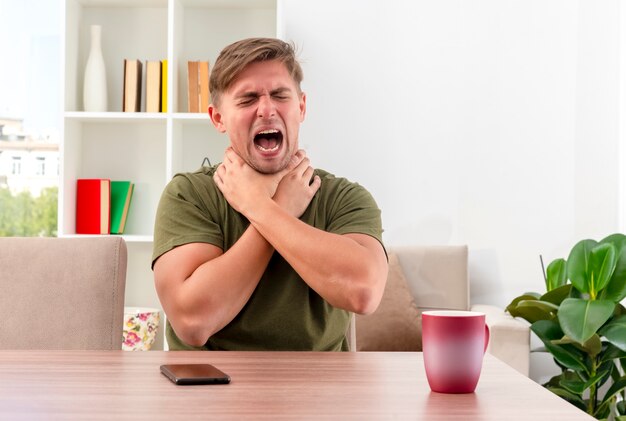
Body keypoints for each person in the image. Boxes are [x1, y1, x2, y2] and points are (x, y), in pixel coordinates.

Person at [152, 37, 388, 351]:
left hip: (318, 392)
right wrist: (279, 208)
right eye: (248, 99)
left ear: (301, 107)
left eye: (279, 95)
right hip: (211, 390)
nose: (266, 109)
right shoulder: (188, 195)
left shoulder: (344, 198)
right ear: (218, 118)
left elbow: (364, 292)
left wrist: (260, 207)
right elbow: (193, 322)